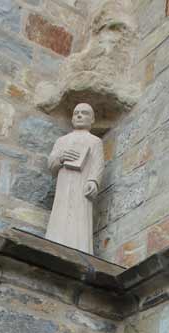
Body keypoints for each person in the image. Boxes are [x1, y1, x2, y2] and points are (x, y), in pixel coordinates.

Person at [45, 102, 104, 254]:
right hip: (64, 185)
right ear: (72, 118)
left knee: (80, 214)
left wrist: (93, 181)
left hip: (81, 184)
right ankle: (55, 244)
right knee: (60, 212)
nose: (79, 115)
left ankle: (81, 249)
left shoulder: (95, 141)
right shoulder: (62, 141)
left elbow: (98, 163)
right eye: (76, 113)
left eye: (84, 113)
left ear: (92, 120)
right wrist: (60, 157)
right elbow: (51, 165)